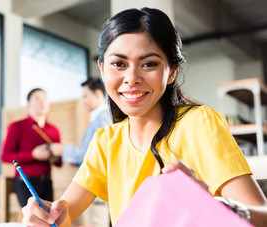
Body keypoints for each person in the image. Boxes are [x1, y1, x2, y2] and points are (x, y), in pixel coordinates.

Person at [21, 8, 267, 227]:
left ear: (171, 71)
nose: (132, 78)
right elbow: (63, 213)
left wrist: (213, 206)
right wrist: (45, 217)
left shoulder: (199, 123)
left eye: (148, 64)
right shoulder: (105, 141)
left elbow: (263, 216)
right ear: (102, 69)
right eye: (119, 63)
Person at [50, 78, 112, 227]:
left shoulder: (102, 118)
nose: (83, 100)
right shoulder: (99, 118)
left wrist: (64, 150)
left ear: (97, 94)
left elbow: (93, 155)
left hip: (95, 193)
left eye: (85, 96)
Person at [1, 88, 62, 207]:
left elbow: (59, 163)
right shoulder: (17, 126)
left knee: (48, 220)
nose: (42, 102)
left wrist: (55, 156)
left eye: (45, 98)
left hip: (47, 182)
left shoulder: (54, 130)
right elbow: (5, 156)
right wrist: (32, 155)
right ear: (29, 104)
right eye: (37, 99)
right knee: (34, 220)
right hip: (25, 181)